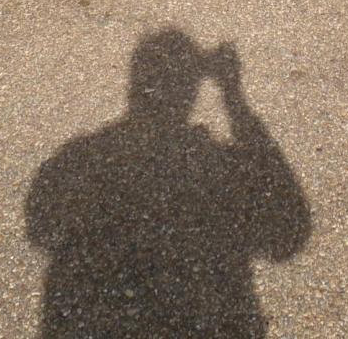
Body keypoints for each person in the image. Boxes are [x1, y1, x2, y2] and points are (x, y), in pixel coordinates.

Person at [25, 30, 311, 336]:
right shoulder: (214, 163)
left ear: (135, 85)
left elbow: (41, 225)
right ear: (192, 91)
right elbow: (288, 230)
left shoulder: (80, 157)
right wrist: (233, 97)